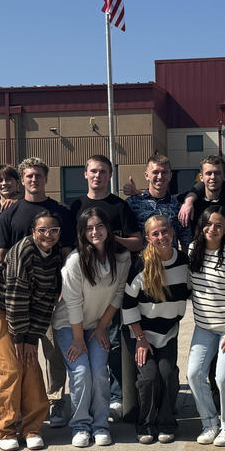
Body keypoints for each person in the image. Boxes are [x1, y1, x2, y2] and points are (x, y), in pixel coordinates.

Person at [0, 157, 75, 428]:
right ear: (22, 180)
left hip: (49, 295)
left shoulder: (59, 211)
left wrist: (61, 289)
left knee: (52, 351)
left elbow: (65, 255)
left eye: (38, 175)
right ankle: (16, 405)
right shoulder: (11, 213)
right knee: (18, 354)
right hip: (16, 297)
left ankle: (56, 401)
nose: (34, 180)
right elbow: (1, 255)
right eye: (28, 176)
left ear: (45, 178)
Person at [68, 155, 143, 422]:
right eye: (93, 171)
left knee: (114, 343)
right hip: (83, 286)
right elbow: (68, 246)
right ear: (85, 174)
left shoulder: (119, 206)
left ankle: (117, 396)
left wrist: (113, 240)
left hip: (115, 285)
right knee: (89, 352)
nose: (97, 175)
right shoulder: (75, 206)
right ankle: (91, 402)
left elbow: (138, 242)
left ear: (110, 175)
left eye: (103, 171)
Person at [0, 211, 64, 451]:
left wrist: (31, 338)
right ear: (32, 232)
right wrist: (19, 337)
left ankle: (32, 428)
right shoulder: (23, 251)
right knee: (9, 369)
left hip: (28, 317)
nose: (47, 235)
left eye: (53, 231)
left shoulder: (54, 256)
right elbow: (15, 295)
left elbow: (47, 301)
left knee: (30, 366)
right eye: (42, 230)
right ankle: (5, 429)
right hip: (1, 312)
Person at [53, 208, 131, 447]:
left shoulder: (122, 257)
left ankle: (100, 424)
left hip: (97, 325)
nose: (95, 232)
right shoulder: (75, 261)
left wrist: (100, 329)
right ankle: (81, 425)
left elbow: (118, 296)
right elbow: (73, 303)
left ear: (108, 228)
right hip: (69, 325)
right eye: (89, 228)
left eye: (99, 226)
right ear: (82, 233)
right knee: (80, 371)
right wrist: (78, 340)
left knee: (98, 372)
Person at [121, 215, 190, 444]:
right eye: (155, 234)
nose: (162, 237)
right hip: (140, 332)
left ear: (172, 231)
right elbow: (128, 304)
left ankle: (167, 423)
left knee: (167, 373)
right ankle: (146, 424)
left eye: (165, 231)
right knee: (149, 377)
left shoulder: (183, 261)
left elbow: (192, 291)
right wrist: (140, 339)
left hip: (167, 331)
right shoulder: (140, 265)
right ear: (148, 238)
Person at [186, 206, 225, 447]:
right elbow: (191, 286)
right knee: (194, 374)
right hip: (204, 327)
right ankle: (210, 423)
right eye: (208, 224)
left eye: (219, 226)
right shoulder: (194, 250)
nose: (212, 229)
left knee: (223, 377)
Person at [125, 153, 190, 248]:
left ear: (170, 176)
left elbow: (185, 241)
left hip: (170, 261)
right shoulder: (132, 204)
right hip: (142, 261)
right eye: (155, 172)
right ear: (147, 175)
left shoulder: (178, 206)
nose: (160, 176)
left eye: (164, 172)